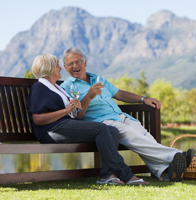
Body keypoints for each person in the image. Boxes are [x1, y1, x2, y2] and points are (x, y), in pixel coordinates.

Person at [61, 47, 195, 182]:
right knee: (131, 135)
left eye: (78, 62)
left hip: (121, 117)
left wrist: (144, 99)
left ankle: (166, 172)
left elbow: (119, 94)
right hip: (102, 124)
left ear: (85, 63)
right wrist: (89, 96)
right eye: (70, 64)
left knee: (144, 136)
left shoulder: (98, 78)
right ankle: (176, 155)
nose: (75, 66)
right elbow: (77, 115)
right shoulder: (68, 87)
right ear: (65, 68)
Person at [26, 54, 149, 185]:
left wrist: (74, 107)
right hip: (52, 130)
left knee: (112, 130)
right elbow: (38, 119)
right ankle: (126, 175)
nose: (60, 68)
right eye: (57, 65)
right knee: (100, 128)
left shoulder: (58, 88)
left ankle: (107, 176)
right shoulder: (39, 88)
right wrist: (66, 110)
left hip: (68, 125)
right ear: (49, 68)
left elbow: (72, 113)